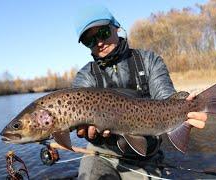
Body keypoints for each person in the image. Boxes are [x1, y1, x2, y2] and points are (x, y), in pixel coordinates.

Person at [71, 4, 207, 180]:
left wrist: (186, 108)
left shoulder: (149, 61)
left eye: (103, 33)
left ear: (116, 27)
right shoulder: (85, 76)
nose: (99, 42)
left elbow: (165, 97)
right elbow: (77, 119)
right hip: (102, 153)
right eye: (89, 40)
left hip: (146, 155)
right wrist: (91, 136)